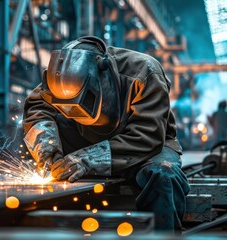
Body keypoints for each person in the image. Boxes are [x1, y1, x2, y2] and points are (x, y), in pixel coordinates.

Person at [22, 36, 190, 232]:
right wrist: (48, 150)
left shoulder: (145, 72)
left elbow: (147, 134)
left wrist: (86, 160)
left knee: (164, 174)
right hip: (83, 140)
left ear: (103, 74)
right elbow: (36, 108)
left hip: (145, 146)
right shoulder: (57, 77)